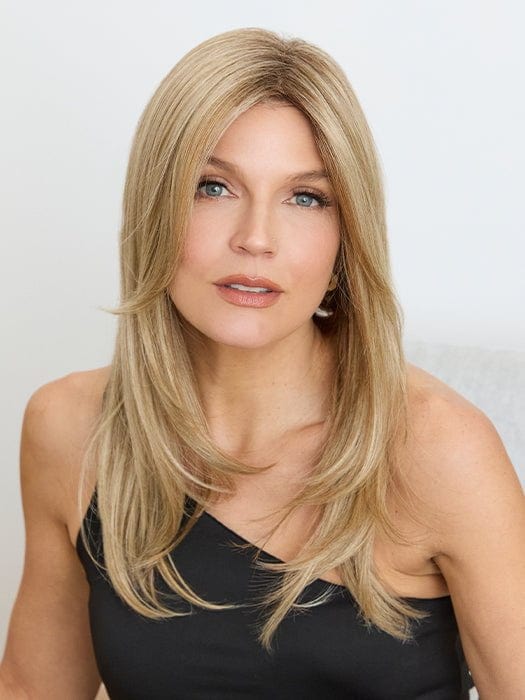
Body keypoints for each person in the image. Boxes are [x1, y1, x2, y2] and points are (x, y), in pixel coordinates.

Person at [1, 27, 524, 699]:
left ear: (346, 238)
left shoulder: (437, 449)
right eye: (213, 187)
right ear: (153, 207)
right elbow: (32, 688)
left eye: (305, 198)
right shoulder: (71, 427)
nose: (255, 238)